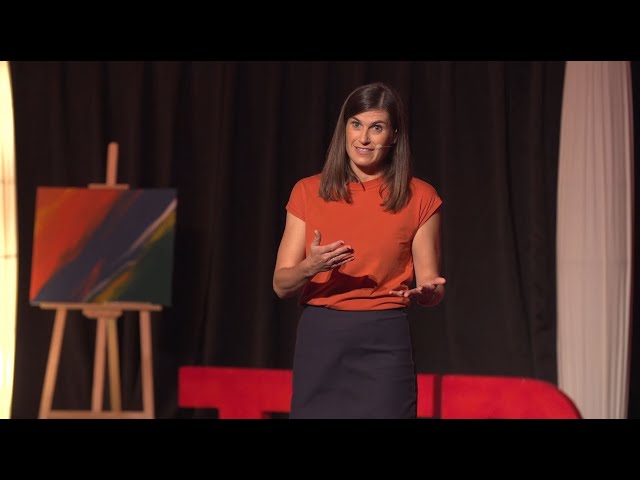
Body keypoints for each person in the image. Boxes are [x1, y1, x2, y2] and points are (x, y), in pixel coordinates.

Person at [273, 82, 445, 419]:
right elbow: (281, 285)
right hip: (322, 338)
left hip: (384, 339)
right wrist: (311, 266)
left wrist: (428, 293)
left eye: (376, 127)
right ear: (344, 129)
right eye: (356, 124)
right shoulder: (307, 191)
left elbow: (432, 285)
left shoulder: (420, 196)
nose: (363, 138)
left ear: (393, 135)